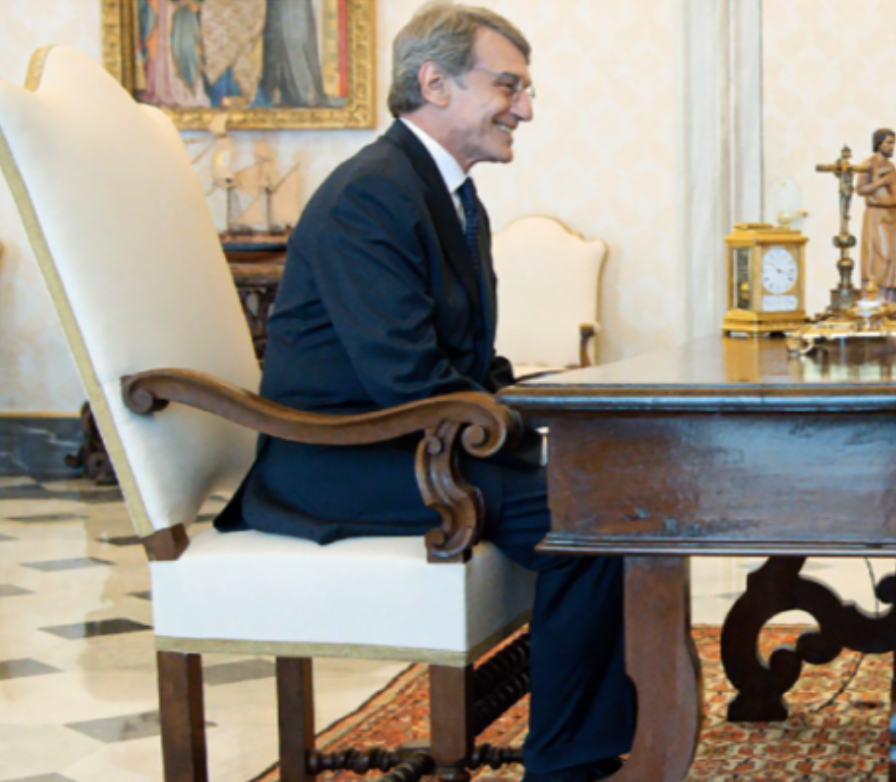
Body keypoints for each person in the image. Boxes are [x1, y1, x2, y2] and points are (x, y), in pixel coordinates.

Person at [214, 5, 633, 781]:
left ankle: (589, 739)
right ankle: (571, 764)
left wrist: (563, 413)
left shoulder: (444, 192)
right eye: (508, 85)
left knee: (601, 484)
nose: (527, 108)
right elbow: (407, 380)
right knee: (587, 514)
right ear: (434, 83)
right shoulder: (370, 194)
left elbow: (462, 366)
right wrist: (528, 432)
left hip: (409, 439)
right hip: (337, 460)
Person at [856, 128, 896, 302]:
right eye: (889, 143)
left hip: (893, 216)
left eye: (893, 143)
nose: (892, 147)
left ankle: (891, 302)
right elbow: (860, 189)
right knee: (881, 256)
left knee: (894, 260)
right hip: (877, 216)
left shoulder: (891, 167)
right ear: (878, 143)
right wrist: (882, 181)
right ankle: (876, 298)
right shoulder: (869, 164)